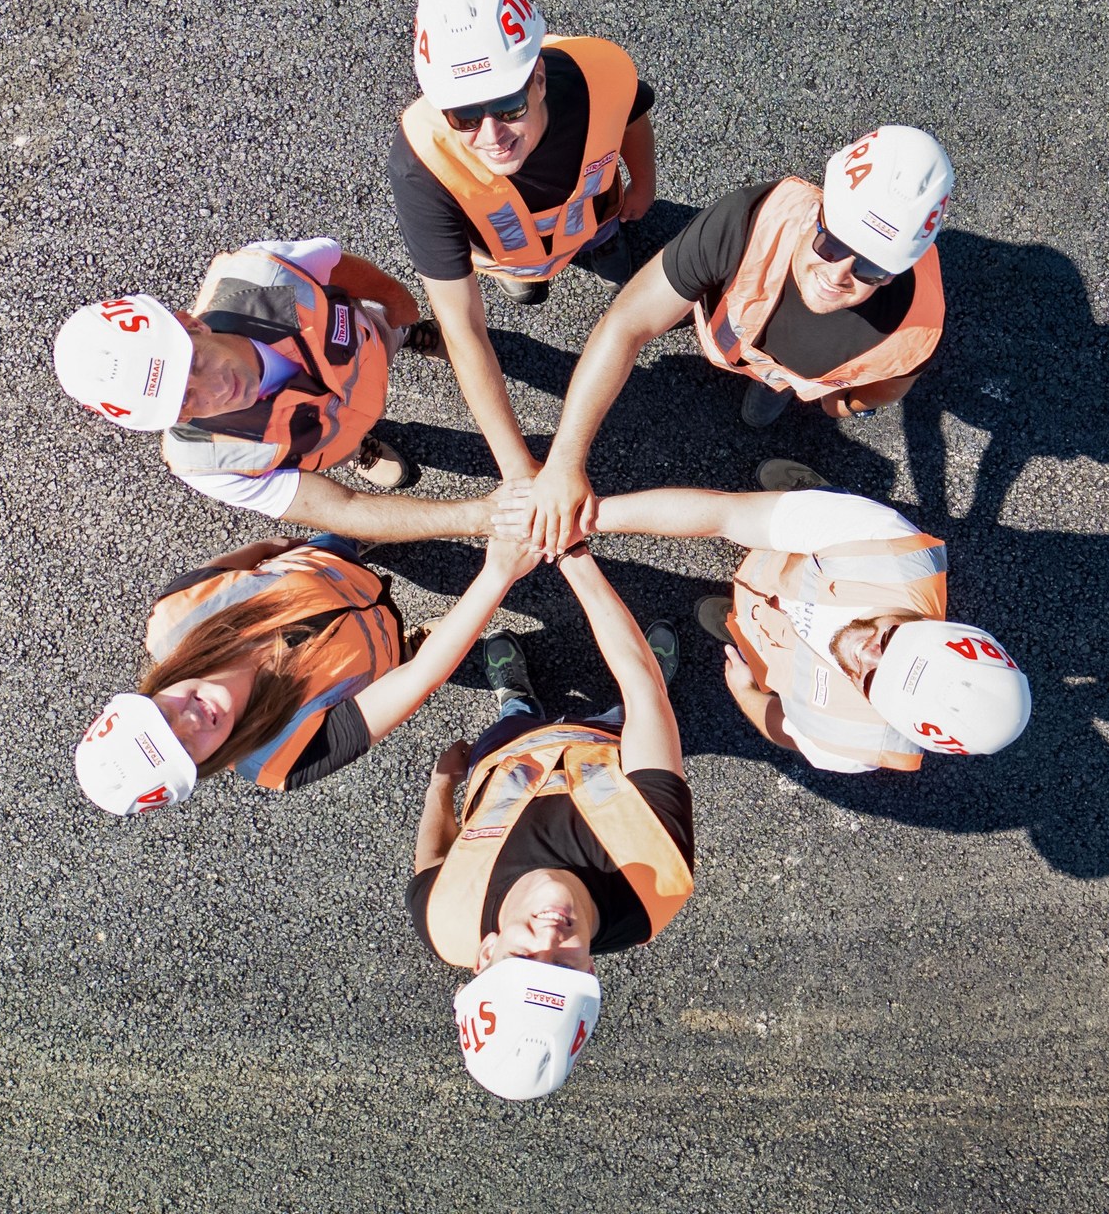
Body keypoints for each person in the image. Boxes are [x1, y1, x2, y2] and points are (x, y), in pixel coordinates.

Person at [518, 126, 953, 556]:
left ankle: (767, 389)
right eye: (833, 243)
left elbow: (886, 386)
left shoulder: (917, 329)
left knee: (766, 395)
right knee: (691, 317)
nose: (838, 275)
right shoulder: (748, 221)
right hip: (734, 341)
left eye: (872, 268)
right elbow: (628, 324)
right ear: (819, 209)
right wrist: (563, 463)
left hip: (776, 374)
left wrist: (841, 405)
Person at [505, 467, 1029, 774]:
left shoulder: (851, 744)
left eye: (874, 681)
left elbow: (785, 729)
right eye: (893, 642)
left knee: (744, 622)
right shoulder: (881, 544)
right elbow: (725, 515)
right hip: (807, 556)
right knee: (790, 519)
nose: (866, 652)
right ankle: (813, 495)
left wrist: (746, 691)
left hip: (770, 625)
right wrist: (580, 519)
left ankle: (745, 617)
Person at [410, 547, 691, 1100]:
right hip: (608, 740)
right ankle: (655, 674)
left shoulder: (444, 919)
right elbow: (642, 693)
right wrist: (570, 552)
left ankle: (515, 700)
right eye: (564, 966)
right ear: (590, 974)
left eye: (523, 957)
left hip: (507, 756)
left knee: (514, 719)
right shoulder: (655, 879)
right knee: (642, 698)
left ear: (485, 954)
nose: (550, 934)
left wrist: (441, 786)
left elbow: (432, 863)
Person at [390, 0, 658, 484]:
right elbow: (462, 327)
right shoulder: (418, 164)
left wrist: (643, 183)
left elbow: (632, 115)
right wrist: (516, 468)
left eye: (509, 106)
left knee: (607, 245)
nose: (492, 136)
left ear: (537, 78)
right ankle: (526, 279)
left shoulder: (600, 71)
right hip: (508, 254)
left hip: (596, 218)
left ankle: (595, 255)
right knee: (523, 279)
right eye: (465, 117)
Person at [53, 236, 490, 541]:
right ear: (172, 418)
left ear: (191, 324)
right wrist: (481, 517)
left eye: (195, 363)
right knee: (332, 443)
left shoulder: (262, 270)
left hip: (370, 343)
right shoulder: (205, 462)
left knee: (390, 327)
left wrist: (395, 303)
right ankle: (356, 448)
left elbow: (337, 265)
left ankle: (408, 335)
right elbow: (341, 508)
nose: (218, 388)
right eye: (186, 399)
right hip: (332, 426)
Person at [74, 530, 542, 815]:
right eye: (185, 748)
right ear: (203, 767)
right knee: (411, 658)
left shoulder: (175, 615)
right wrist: (498, 572)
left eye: (163, 717)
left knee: (345, 537)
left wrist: (293, 545)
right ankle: (406, 641)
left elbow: (255, 555)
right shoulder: (283, 761)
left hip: (329, 561)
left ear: (149, 694)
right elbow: (419, 677)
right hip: (380, 650)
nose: (191, 720)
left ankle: (362, 543)